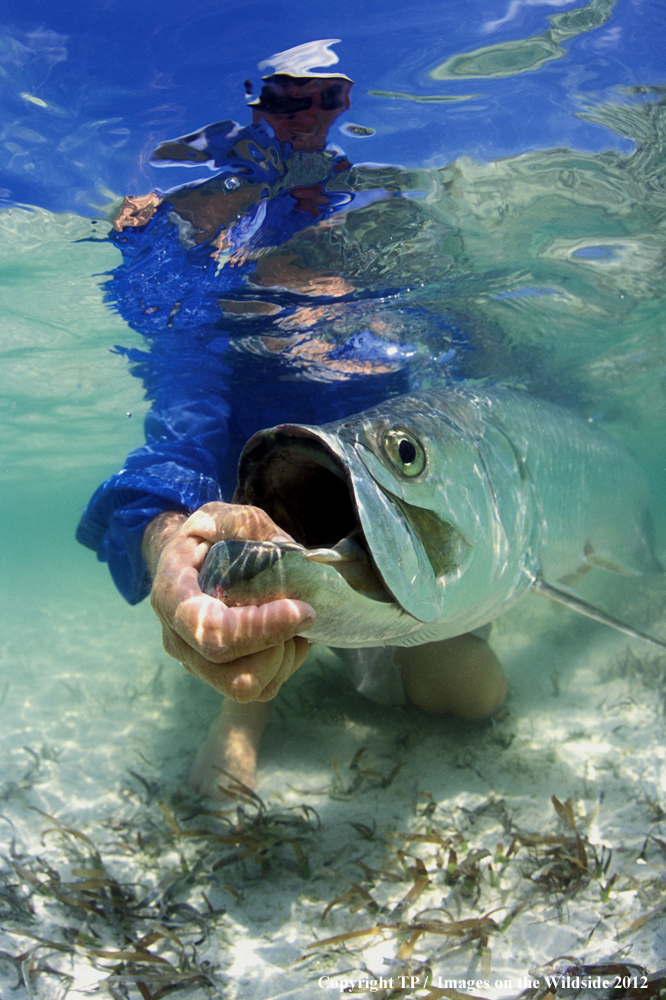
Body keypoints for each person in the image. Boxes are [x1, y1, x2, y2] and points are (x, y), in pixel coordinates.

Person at [78, 46, 507, 796]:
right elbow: (164, 464)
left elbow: (463, 422)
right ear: (258, 103)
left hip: (394, 568)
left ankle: (381, 642)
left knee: (475, 698)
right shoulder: (213, 314)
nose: (307, 114)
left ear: (344, 103)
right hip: (263, 575)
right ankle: (247, 713)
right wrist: (168, 546)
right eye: (286, 99)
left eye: (325, 98)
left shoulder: (387, 261)